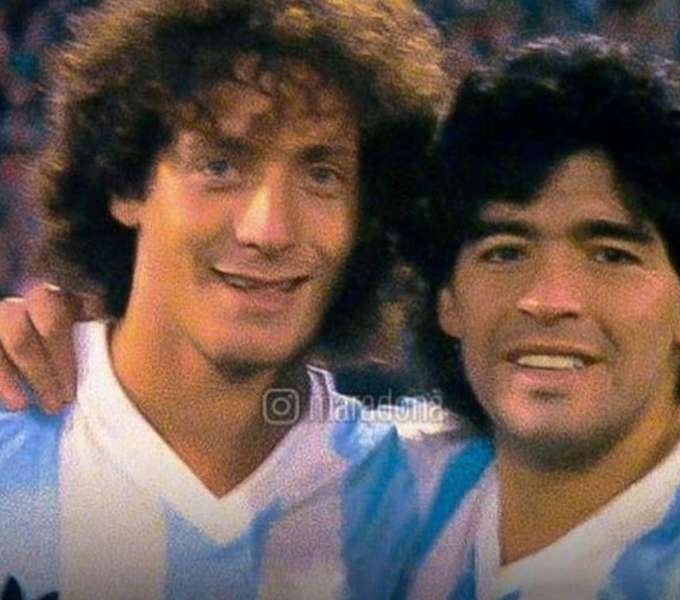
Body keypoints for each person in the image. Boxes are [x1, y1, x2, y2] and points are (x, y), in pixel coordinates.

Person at [0, 1, 473, 598]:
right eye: (220, 166)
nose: (268, 229)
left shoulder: (438, 499)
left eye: (321, 175)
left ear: (367, 217)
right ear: (126, 183)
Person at [404, 36, 680, 599]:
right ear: (448, 298)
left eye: (611, 256)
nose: (548, 299)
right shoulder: (371, 499)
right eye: (505, 252)